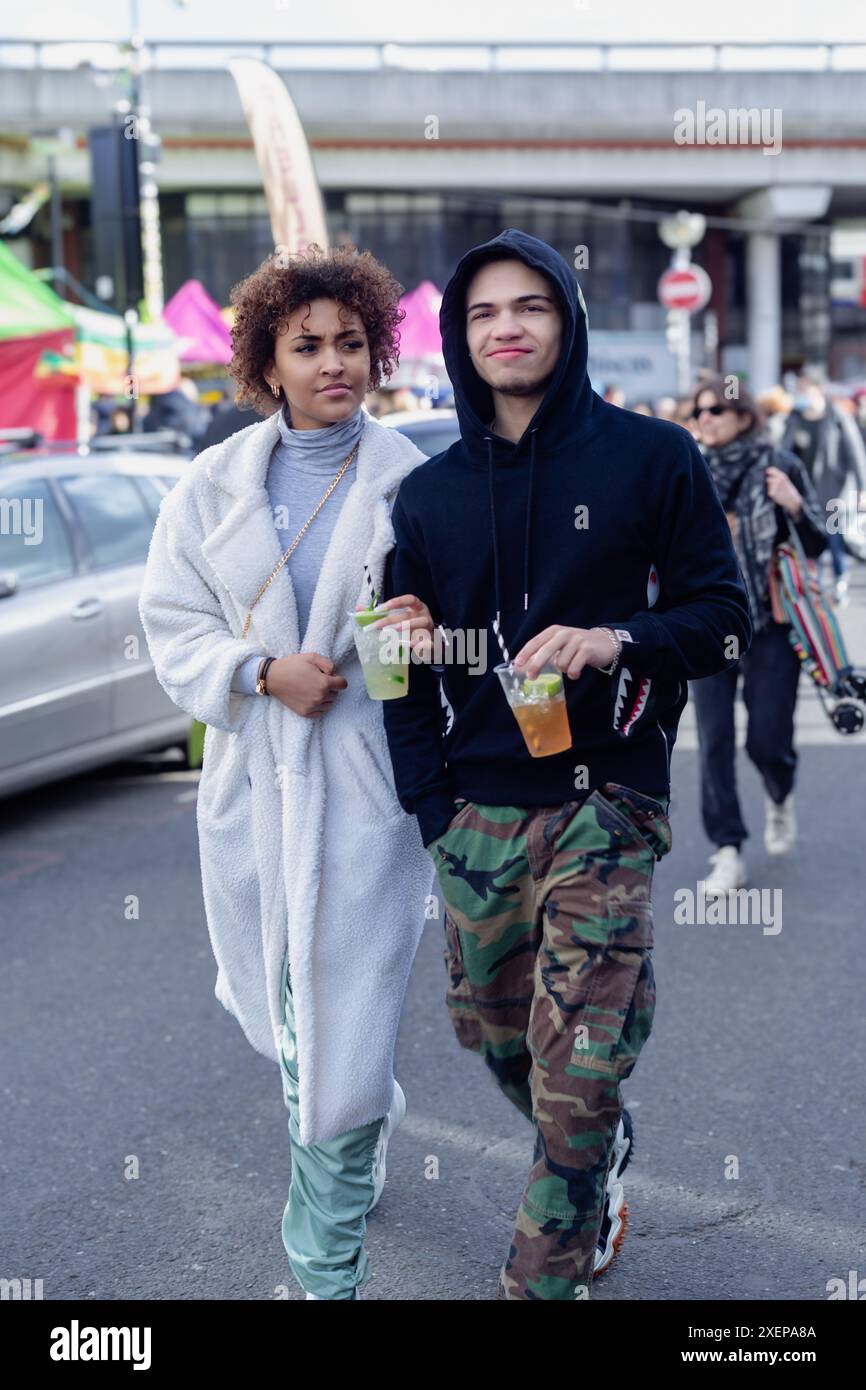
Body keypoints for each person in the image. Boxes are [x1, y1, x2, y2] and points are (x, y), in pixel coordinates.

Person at [380, 229, 750, 1300]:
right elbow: (406, 668)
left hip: (607, 804)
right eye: (483, 311)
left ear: (567, 321)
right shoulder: (430, 494)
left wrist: (614, 640)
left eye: (530, 306)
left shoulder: (650, 458)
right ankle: (599, 1151)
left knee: (576, 1064)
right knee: (507, 1050)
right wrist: (432, 811)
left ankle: (543, 1274)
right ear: (458, 335)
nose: (506, 326)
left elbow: (720, 619)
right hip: (476, 813)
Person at [138, 243, 438, 1301]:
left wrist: (417, 633)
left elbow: (459, 637)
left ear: (377, 349)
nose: (332, 363)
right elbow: (171, 626)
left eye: (350, 342)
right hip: (253, 790)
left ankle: (324, 1272)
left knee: (339, 1030)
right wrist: (257, 670)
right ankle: (364, 1114)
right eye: (305, 345)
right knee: (279, 1017)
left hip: (363, 794)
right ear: (265, 363)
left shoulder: (416, 477)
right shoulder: (210, 483)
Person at [689, 376, 826, 893]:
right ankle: (727, 848)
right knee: (714, 741)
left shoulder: (778, 466)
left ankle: (779, 789)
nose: (705, 419)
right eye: (699, 412)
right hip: (706, 622)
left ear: (744, 416)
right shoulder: (691, 469)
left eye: (715, 411)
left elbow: (816, 542)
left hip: (769, 621)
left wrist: (792, 503)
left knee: (767, 739)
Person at [781, 369, 866, 603]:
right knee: (811, 539)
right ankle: (815, 584)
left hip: (835, 493)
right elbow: (783, 451)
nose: (801, 392)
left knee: (835, 538)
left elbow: (855, 453)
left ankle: (840, 581)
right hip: (805, 492)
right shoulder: (795, 417)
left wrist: (862, 488)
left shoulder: (836, 415)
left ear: (817, 389)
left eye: (805, 387)